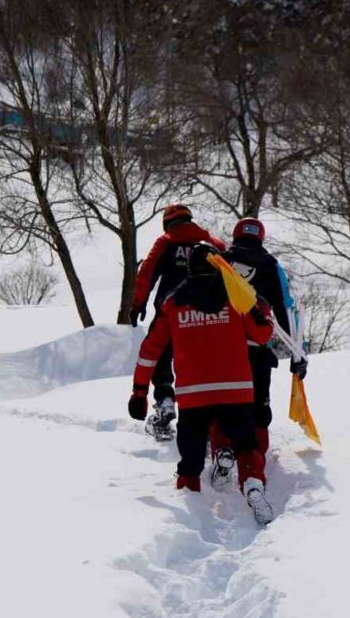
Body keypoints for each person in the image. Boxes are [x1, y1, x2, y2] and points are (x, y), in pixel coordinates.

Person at [128, 243, 276, 525]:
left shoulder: (172, 302)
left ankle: (191, 519)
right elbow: (262, 335)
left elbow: (150, 351)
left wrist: (139, 392)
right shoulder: (237, 296)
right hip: (236, 391)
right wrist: (262, 309)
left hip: (193, 396)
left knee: (190, 463)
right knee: (247, 445)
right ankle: (252, 484)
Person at [209, 218, 305, 487]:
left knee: (221, 406)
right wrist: (298, 353)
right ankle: (254, 464)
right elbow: (286, 308)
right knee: (258, 407)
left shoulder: (220, 261)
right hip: (258, 350)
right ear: (260, 237)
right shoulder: (271, 266)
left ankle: (222, 450)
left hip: (222, 349)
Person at [129, 204, 226, 438]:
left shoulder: (166, 242)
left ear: (167, 222)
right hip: (210, 316)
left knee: (160, 356)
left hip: (170, 313)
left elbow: (146, 273)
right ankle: (210, 418)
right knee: (202, 363)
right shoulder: (214, 244)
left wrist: (138, 304)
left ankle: (164, 401)